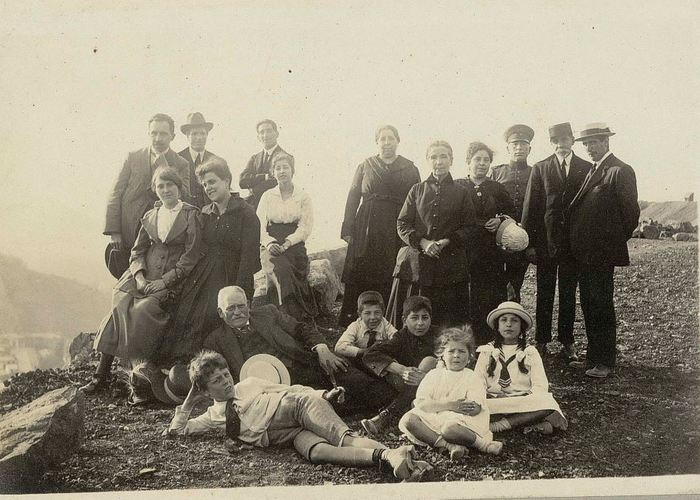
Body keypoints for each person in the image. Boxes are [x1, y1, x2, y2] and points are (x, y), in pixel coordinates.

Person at [166, 350, 431, 481]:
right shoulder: (214, 415)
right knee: (318, 453)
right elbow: (178, 431)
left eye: (225, 374)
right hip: (289, 434)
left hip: (298, 406)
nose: (225, 382)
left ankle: (392, 455)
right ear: (203, 389)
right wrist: (189, 402)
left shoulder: (248, 385)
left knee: (343, 438)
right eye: (216, 380)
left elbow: (293, 390)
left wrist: (323, 396)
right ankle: (397, 460)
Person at [82, 166, 202, 393]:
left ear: (179, 188)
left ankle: (140, 378)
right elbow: (137, 252)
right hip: (143, 274)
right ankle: (102, 374)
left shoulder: (190, 214)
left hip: (173, 278)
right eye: (161, 186)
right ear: (155, 189)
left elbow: (191, 257)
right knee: (119, 303)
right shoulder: (150, 215)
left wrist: (165, 281)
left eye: (170, 185)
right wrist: (138, 276)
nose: (166, 190)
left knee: (143, 309)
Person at [202, 286, 394, 413]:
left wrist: (322, 348)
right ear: (220, 312)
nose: (237, 312)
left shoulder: (268, 313)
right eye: (231, 308)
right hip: (275, 390)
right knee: (324, 405)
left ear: (249, 305)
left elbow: (302, 328)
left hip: (306, 364)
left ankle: (396, 400)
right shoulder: (215, 341)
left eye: (241, 306)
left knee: (359, 381)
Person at [162, 158, 261, 364]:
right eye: (205, 184)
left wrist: (240, 291)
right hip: (203, 274)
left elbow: (249, 258)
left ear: (227, 181)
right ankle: (183, 368)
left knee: (213, 319)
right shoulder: (205, 212)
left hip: (231, 276)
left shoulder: (246, 213)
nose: (208, 187)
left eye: (212, 182)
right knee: (185, 312)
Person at [568, 123, 639, 378]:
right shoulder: (594, 170)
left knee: (601, 306)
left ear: (606, 142)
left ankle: (606, 362)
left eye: (594, 142)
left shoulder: (619, 171)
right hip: (585, 255)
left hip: (601, 254)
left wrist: (608, 245)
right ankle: (593, 358)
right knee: (589, 305)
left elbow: (630, 216)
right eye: (586, 144)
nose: (589, 148)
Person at [338, 125, 421, 327]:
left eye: (390, 138)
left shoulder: (410, 168)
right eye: (382, 139)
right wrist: (348, 228)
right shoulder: (366, 165)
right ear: (377, 142)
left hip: (395, 226)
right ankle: (356, 321)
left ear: (397, 141)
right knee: (362, 269)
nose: (386, 143)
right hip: (366, 225)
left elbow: (418, 200)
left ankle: (390, 321)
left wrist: (414, 234)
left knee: (391, 270)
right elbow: (353, 196)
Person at [521, 123, 592, 359]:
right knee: (544, 293)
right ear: (551, 144)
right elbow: (531, 207)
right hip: (545, 243)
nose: (561, 145)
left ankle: (567, 341)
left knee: (569, 293)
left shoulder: (586, 167)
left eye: (565, 140)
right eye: (556, 141)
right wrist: (530, 244)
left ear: (572, 141)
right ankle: (541, 341)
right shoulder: (541, 168)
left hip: (574, 244)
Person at [396, 140, 476, 328]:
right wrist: (423, 243)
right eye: (433, 157)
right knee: (418, 318)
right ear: (427, 160)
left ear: (451, 160)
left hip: (451, 267)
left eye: (443, 156)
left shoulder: (462, 192)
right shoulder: (417, 190)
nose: (438, 161)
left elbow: (470, 227)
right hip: (420, 268)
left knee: (450, 322)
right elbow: (402, 223)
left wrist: (445, 242)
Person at [104, 114, 191, 275]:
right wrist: (114, 231)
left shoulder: (181, 163)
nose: (158, 138)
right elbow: (116, 192)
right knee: (125, 277)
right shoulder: (133, 157)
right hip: (128, 232)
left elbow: (185, 196)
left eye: (163, 134)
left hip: (158, 237)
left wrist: (165, 168)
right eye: (154, 133)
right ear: (148, 133)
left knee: (149, 281)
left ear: (173, 136)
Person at [399, 327, 502, 458]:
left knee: (449, 430)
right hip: (435, 417)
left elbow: (475, 408)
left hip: (461, 421)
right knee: (409, 420)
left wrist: (471, 407)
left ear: (470, 356)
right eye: (451, 351)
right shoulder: (433, 375)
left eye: (462, 351)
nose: (456, 355)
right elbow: (422, 404)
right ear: (441, 354)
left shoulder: (472, 377)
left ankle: (484, 445)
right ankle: (449, 446)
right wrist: (451, 405)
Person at [475, 302, 568, 434]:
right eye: (504, 320)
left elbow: (540, 385)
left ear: (521, 327)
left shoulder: (530, 352)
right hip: (494, 400)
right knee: (474, 404)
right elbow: (477, 381)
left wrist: (526, 397)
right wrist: (491, 395)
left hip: (522, 401)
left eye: (514, 321)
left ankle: (500, 425)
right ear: (497, 326)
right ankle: (528, 424)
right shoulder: (487, 351)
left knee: (547, 402)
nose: (509, 324)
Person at [457, 142, 516, 345]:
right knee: (466, 296)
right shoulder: (457, 186)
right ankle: (467, 345)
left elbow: (513, 214)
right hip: (464, 250)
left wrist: (500, 220)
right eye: (477, 159)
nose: (482, 164)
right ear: (468, 162)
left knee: (490, 294)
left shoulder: (497, 188)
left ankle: (491, 343)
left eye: (486, 160)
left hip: (490, 251)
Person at [360, 296, 439, 435]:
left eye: (425, 317)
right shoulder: (401, 337)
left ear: (431, 318)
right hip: (408, 386)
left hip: (437, 387)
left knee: (429, 361)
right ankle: (403, 410)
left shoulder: (440, 335)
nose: (420, 323)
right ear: (404, 320)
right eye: (414, 318)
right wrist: (401, 369)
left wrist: (427, 378)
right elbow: (370, 354)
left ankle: (387, 415)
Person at [256, 153, 318, 320]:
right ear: (273, 172)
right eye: (278, 168)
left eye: (285, 167)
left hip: (294, 243)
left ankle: (296, 318)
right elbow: (258, 225)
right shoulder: (267, 196)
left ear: (292, 171)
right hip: (271, 242)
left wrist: (288, 243)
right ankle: (282, 315)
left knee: (293, 269)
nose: (282, 171)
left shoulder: (303, 196)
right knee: (280, 269)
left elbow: (305, 227)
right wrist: (269, 244)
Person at [491, 124, 534, 302]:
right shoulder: (496, 172)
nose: (519, 148)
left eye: (523, 144)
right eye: (515, 144)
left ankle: (515, 325)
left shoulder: (535, 172)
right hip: (498, 238)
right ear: (508, 148)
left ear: (529, 149)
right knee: (496, 283)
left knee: (515, 285)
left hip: (523, 238)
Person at [334, 290, 398, 363]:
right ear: (360, 314)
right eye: (367, 313)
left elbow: (398, 340)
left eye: (377, 313)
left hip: (380, 360)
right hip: (359, 361)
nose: (373, 317)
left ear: (383, 312)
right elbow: (339, 347)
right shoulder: (355, 326)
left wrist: (385, 348)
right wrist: (363, 352)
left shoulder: (386, 325)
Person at [239, 119, 289, 209]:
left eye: (269, 131)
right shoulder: (254, 158)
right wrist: (264, 177)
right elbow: (242, 181)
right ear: (258, 137)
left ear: (277, 134)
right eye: (262, 132)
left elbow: (277, 184)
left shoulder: (286, 157)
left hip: (276, 207)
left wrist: (253, 188)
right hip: (254, 208)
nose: (265, 135)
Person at [178, 112, 222, 208]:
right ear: (187, 136)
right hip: (184, 212)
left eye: (202, 133)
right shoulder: (177, 159)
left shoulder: (215, 160)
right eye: (194, 134)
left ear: (207, 135)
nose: (199, 138)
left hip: (210, 213)